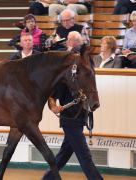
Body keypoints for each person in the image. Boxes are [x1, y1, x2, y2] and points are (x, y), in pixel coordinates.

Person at [44, 31, 104, 180]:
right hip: (69, 117)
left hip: (81, 113)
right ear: (68, 42)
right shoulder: (62, 64)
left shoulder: (85, 62)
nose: (76, 44)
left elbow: (90, 82)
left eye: (78, 41)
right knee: (85, 156)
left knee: (63, 155)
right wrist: (52, 106)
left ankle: (48, 178)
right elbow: (52, 92)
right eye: (73, 41)